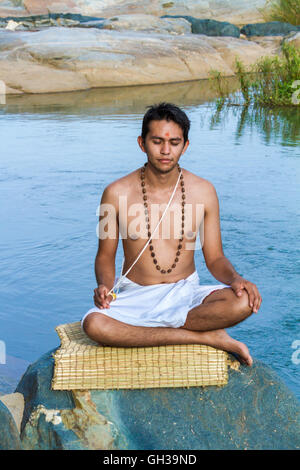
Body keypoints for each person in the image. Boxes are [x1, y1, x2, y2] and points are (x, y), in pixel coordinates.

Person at [81, 103, 262, 366]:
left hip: (185, 295)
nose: (166, 151)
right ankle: (207, 338)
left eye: (174, 142)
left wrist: (236, 278)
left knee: (244, 301)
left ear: (185, 146)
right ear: (142, 143)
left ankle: (161, 331)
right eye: (157, 141)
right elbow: (105, 257)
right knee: (94, 325)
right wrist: (105, 287)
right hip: (136, 295)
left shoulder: (204, 191)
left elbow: (215, 258)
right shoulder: (115, 193)